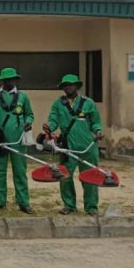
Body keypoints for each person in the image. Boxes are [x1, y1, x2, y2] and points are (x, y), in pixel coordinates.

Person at [43, 74, 104, 216]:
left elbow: (96, 122)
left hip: (88, 146)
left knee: (90, 177)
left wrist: (98, 131)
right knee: (64, 176)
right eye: (65, 85)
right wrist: (49, 127)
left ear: (77, 86)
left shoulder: (88, 103)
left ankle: (91, 207)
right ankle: (69, 205)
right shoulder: (58, 104)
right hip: (67, 147)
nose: (68, 87)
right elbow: (53, 120)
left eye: (70, 84)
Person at [0, 67, 35, 214]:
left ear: (16, 80)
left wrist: (28, 121)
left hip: (18, 139)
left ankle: (23, 202)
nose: (9, 82)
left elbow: (30, 114)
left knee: (20, 171)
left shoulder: (23, 97)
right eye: (6, 79)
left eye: (11, 79)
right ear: (1, 80)